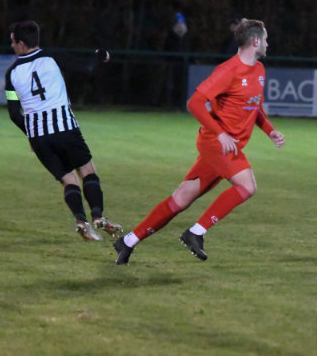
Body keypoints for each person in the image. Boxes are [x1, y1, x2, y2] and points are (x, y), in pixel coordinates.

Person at [113, 19, 285, 265]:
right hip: (215, 142)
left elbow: (253, 106)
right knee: (247, 186)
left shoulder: (259, 70)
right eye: (266, 38)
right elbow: (194, 103)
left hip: (226, 146)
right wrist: (220, 133)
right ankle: (196, 232)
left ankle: (128, 241)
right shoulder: (228, 71)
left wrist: (270, 131)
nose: (268, 43)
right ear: (256, 41)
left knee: (181, 199)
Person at [5, 20, 124, 241]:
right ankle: (97, 216)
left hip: (39, 138)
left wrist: (30, 133)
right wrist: (101, 55)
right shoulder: (52, 57)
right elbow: (88, 68)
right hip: (65, 128)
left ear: (21, 43)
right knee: (87, 171)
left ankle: (81, 221)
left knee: (68, 180)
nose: (11, 45)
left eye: (13, 41)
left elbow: (14, 113)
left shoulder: (11, 73)